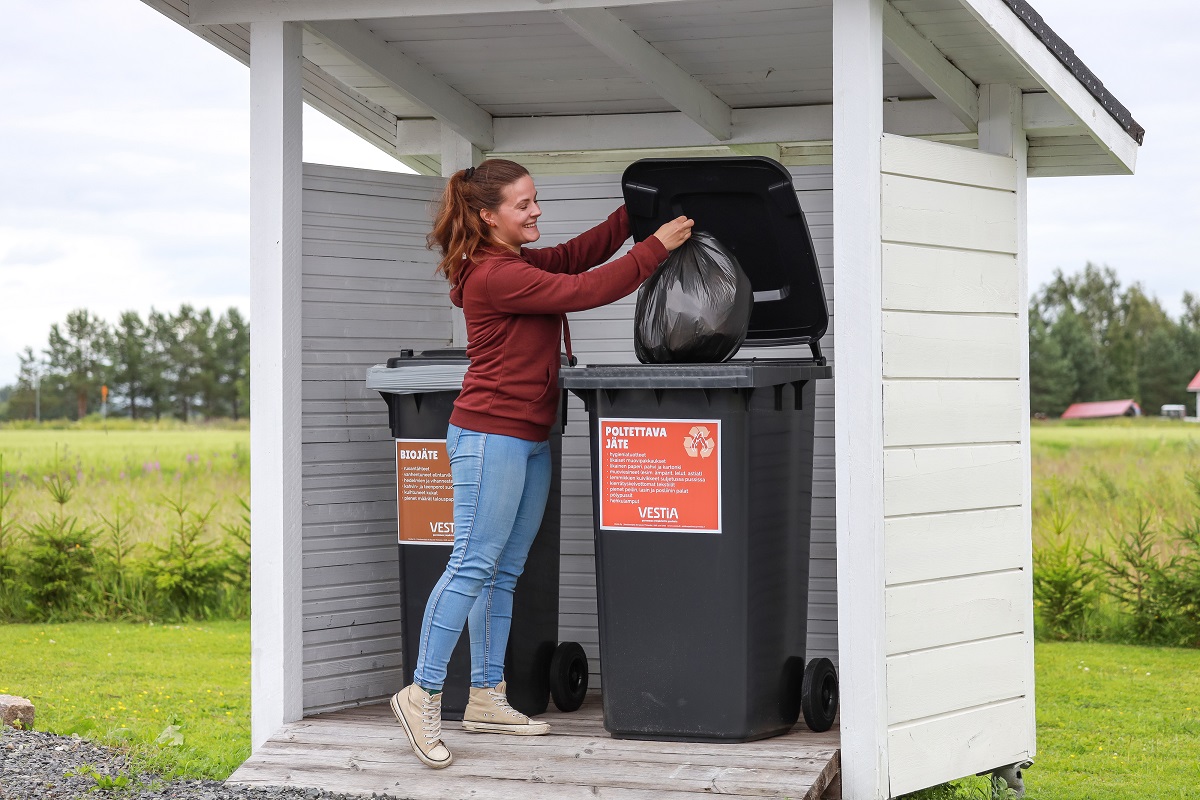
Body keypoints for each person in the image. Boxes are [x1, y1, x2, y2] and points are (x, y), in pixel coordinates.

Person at [389, 159, 693, 769]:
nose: (535, 212)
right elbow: (585, 290)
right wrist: (654, 248)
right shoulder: (492, 276)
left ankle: (485, 694)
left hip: (529, 435)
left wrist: (634, 214)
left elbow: (578, 256)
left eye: (536, 200)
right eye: (523, 204)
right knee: (472, 565)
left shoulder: (518, 263)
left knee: (504, 571)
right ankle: (420, 693)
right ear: (487, 215)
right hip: (488, 438)